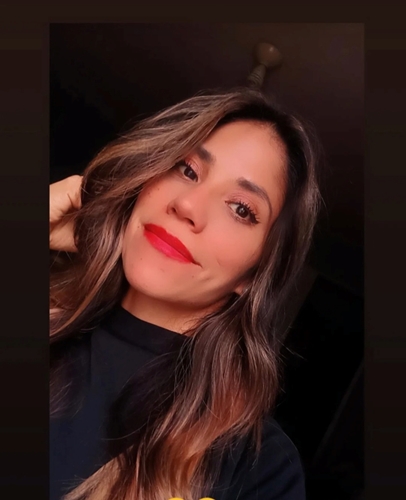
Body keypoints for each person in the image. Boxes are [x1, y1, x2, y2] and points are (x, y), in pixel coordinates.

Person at [50, 87, 320, 500]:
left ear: (256, 273)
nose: (188, 205)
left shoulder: (259, 468)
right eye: (187, 169)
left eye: (241, 209)